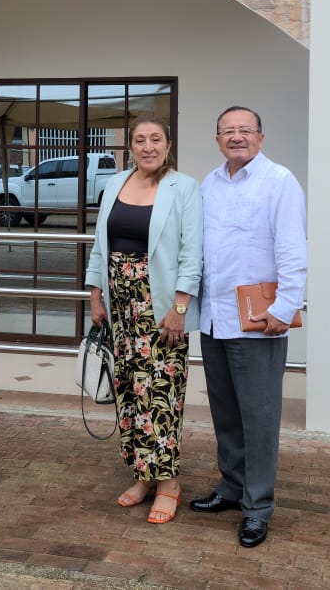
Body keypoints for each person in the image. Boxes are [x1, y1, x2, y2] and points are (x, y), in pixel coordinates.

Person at [190, 106, 307, 548]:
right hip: (215, 318)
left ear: (260, 136)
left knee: (259, 419)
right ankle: (232, 487)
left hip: (259, 322)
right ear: (217, 139)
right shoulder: (209, 183)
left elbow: (293, 249)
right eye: (228, 131)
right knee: (226, 414)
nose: (236, 137)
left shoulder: (279, 181)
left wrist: (285, 307)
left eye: (245, 130)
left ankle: (258, 508)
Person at [84, 115, 203, 525]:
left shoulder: (184, 187)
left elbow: (192, 252)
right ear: (130, 146)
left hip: (161, 306)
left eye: (155, 139)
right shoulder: (115, 183)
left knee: (161, 393)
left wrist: (180, 307)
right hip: (120, 305)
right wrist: (95, 294)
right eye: (140, 140)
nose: (148, 146)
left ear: (168, 144)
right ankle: (142, 474)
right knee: (131, 392)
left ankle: (168, 482)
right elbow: (100, 245)